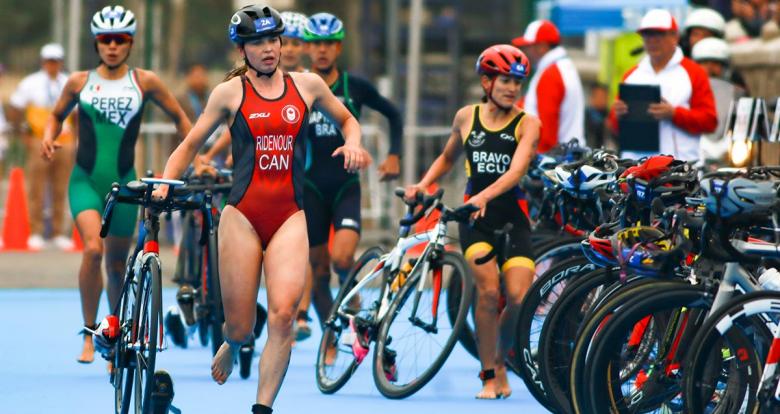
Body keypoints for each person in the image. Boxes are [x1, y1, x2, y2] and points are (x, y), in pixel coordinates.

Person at [153, 5, 370, 413]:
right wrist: (166, 183)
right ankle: (232, 344)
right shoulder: (228, 94)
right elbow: (189, 146)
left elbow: (348, 120)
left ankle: (262, 407)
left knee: (284, 316)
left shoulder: (307, 86)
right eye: (258, 42)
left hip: (290, 215)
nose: (269, 49)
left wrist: (354, 142)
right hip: (243, 217)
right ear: (242, 50)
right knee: (242, 325)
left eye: (274, 40)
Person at [41, 5, 192, 364]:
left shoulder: (146, 81)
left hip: (125, 184)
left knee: (115, 265)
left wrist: (195, 158)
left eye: (119, 40)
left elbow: (182, 120)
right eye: (105, 40)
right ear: (96, 44)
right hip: (86, 182)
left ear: (130, 43)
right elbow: (55, 115)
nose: (112, 46)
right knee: (93, 249)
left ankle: (116, 333)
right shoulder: (79, 81)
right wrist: (50, 136)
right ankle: (90, 332)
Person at [406, 44, 540, 400]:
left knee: (518, 297)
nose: (512, 88)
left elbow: (516, 171)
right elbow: (447, 158)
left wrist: (485, 195)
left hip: (514, 218)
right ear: (486, 81)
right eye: (505, 80)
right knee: (488, 292)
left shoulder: (528, 124)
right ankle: (488, 375)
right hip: (475, 222)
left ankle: (502, 358)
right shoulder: (466, 117)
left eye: (518, 82)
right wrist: (422, 185)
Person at [299, 12, 403, 336]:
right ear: (307, 47)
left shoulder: (354, 87)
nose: (322, 50)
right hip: (310, 186)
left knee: (343, 259)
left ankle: (354, 307)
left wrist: (394, 155)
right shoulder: (298, 87)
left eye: (329, 43)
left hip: (345, 186)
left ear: (339, 47)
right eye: (316, 44)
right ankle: (330, 334)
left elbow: (393, 114)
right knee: (317, 271)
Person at [610, 9, 718, 161]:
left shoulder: (694, 73)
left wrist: (674, 114)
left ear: (675, 36)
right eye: (647, 35)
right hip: (635, 168)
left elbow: (710, 122)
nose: (652, 40)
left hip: (678, 169)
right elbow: (614, 126)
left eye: (659, 34)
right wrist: (618, 115)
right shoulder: (631, 76)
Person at [8, 43, 75, 251]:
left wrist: (78, 139)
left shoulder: (69, 82)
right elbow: (16, 107)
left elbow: (78, 114)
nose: (52, 65)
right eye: (48, 61)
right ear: (43, 62)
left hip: (64, 139)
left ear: (61, 62)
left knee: (61, 186)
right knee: (36, 185)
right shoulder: (31, 83)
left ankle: (57, 231)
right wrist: (22, 132)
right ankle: (35, 231)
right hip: (38, 138)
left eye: (55, 61)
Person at [512, 19, 584, 152]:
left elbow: (545, 132)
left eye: (529, 46)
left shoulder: (551, 74)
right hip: (565, 157)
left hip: (554, 161)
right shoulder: (560, 67)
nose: (525, 51)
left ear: (542, 46)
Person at [691, 37, 744, 163]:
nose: (710, 68)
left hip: (726, 147)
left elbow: (744, 117)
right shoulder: (686, 89)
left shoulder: (736, 91)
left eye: (716, 63)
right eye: (705, 63)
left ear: (725, 67)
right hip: (697, 144)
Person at [584, 84, 610, 149]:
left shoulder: (609, 115)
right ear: (592, 98)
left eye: (604, 97)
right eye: (599, 96)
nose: (601, 100)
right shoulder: (585, 115)